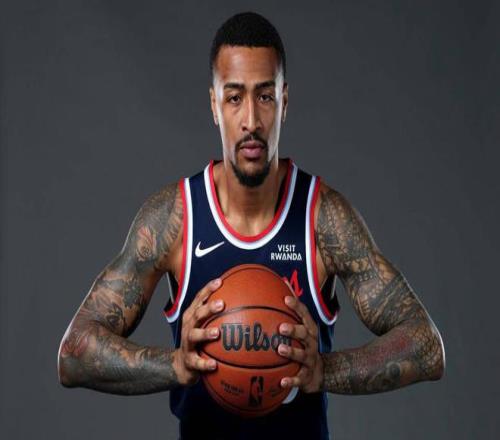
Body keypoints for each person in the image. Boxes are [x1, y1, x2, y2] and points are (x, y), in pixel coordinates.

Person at [57, 11, 445, 439]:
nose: (251, 122)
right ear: (214, 105)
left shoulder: (322, 218)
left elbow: (427, 345)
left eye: (265, 96)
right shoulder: (175, 218)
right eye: (234, 97)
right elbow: (73, 354)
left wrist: (325, 370)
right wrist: (175, 364)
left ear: (284, 102)